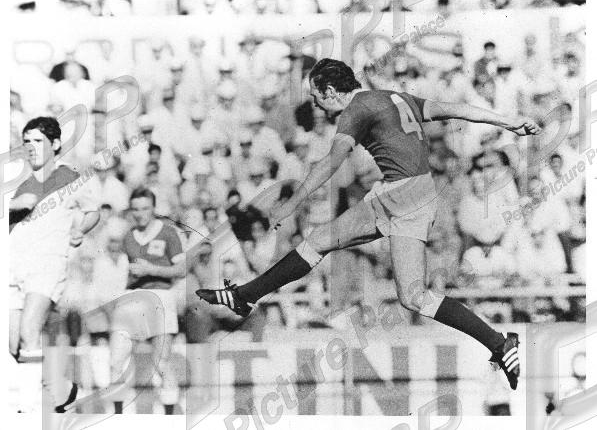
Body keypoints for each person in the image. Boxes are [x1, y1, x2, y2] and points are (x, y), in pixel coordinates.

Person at [196, 58, 541, 390]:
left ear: (331, 91)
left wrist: (291, 204)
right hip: (415, 192)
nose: (315, 104)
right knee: (409, 294)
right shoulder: (392, 97)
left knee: (328, 247)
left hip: (401, 194)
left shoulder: (356, 109)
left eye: (316, 96)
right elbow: (456, 109)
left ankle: (245, 296)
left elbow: (330, 163)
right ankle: (498, 343)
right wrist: (507, 122)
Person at [9, 116, 100, 412]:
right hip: (15, 266)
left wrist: (80, 230)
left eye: (38, 141)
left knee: (29, 330)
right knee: (13, 343)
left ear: (56, 144)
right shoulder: (20, 183)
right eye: (27, 141)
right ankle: (61, 389)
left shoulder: (70, 177)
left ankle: (26, 408)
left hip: (48, 264)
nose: (31, 147)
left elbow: (93, 212)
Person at [109, 187, 186, 415]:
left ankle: (170, 415)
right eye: (136, 209)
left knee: (161, 362)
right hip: (133, 298)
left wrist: (151, 269)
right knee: (116, 359)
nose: (140, 214)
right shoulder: (128, 237)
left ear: (153, 208)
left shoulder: (168, 233)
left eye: (145, 208)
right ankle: (117, 414)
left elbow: (181, 269)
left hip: (160, 297)